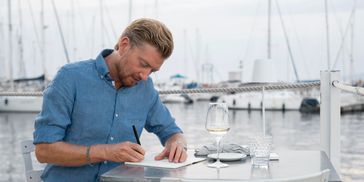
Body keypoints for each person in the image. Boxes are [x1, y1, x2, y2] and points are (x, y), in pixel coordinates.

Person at [33, 18, 187, 182]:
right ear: (124, 45)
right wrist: (105, 152)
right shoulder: (70, 78)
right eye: (143, 64)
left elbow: (173, 133)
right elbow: (44, 151)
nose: (144, 76)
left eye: (152, 70)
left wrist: (177, 144)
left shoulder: (146, 89)